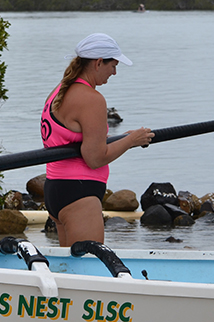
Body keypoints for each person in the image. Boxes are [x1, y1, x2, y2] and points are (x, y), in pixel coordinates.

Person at [41, 33, 154, 247]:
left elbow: (71, 138)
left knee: (68, 266)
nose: (115, 72)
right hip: (79, 194)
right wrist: (132, 141)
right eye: (113, 66)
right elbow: (94, 158)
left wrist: (122, 138)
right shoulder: (92, 99)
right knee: (89, 265)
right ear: (98, 62)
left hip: (55, 188)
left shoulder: (59, 90)